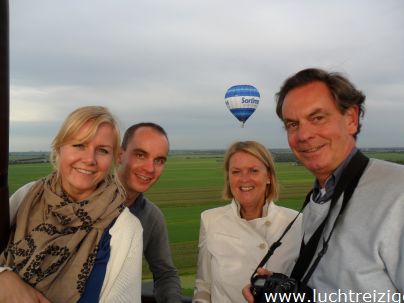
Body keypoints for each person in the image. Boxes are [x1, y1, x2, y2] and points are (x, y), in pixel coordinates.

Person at [243, 68, 404, 302]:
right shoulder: (319, 196)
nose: (304, 135)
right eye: (292, 124)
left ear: (351, 119)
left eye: (317, 118)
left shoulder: (398, 191)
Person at [0, 106, 143, 303]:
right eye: (79, 145)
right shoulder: (27, 196)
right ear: (59, 147)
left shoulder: (125, 228)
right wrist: (4, 277)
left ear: (114, 158)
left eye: (102, 150)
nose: (89, 159)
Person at [193, 141, 302, 303]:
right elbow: (203, 285)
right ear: (228, 178)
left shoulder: (296, 222)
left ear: (269, 177)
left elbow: (305, 286)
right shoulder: (210, 220)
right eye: (236, 172)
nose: (244, 179)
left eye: (254, 170)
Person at [117, 122, 182, 303]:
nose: (150, 168)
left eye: (159, 160)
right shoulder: (86, 202)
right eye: (140, 155)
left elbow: (165, 274)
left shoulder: (151, 217)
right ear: (119, 155)